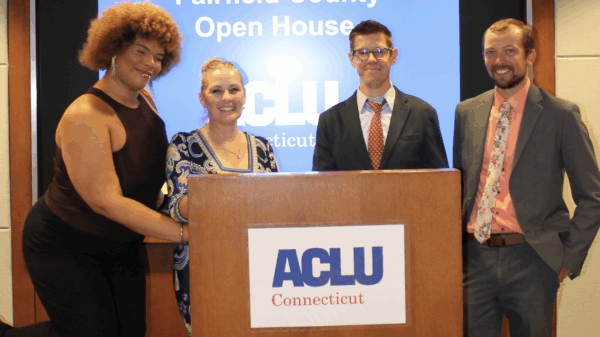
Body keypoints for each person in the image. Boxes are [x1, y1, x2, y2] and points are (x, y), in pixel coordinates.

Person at [0, 3, 186, 337]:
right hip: (65, 242)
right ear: (113, 48)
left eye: (159, 57)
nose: (150, 64)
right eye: (141, 51)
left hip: (119, 241)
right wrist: (184, 233)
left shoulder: (144, 98)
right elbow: (107, 201)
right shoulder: (86, 115)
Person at [453, 18, 600, 337]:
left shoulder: (561, 115)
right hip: (475, 259)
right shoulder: (466, 112)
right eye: (490, 52)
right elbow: (460, 188)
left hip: (533, 259)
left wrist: (567, 259)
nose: (499, 60)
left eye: (509, 51)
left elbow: (592, 196)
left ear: (530, 55)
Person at [166, 57, 279, 336]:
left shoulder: (262, 147)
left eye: (234, 90)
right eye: (216, 91)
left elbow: (278, 206)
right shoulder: (183, 145)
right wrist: (227, 189)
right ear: (202, 98)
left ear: (244, 95)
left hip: (261, 268)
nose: (226, 98)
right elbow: (176, 209)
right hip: (205, 269)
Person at [312, 20, 448, 171]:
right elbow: (322, 186)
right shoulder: (330, 121)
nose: (371, 59)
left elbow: (439, 182)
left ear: (393, 55)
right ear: (352, 59)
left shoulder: (422, 114)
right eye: (362, 52)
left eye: (379, 51)